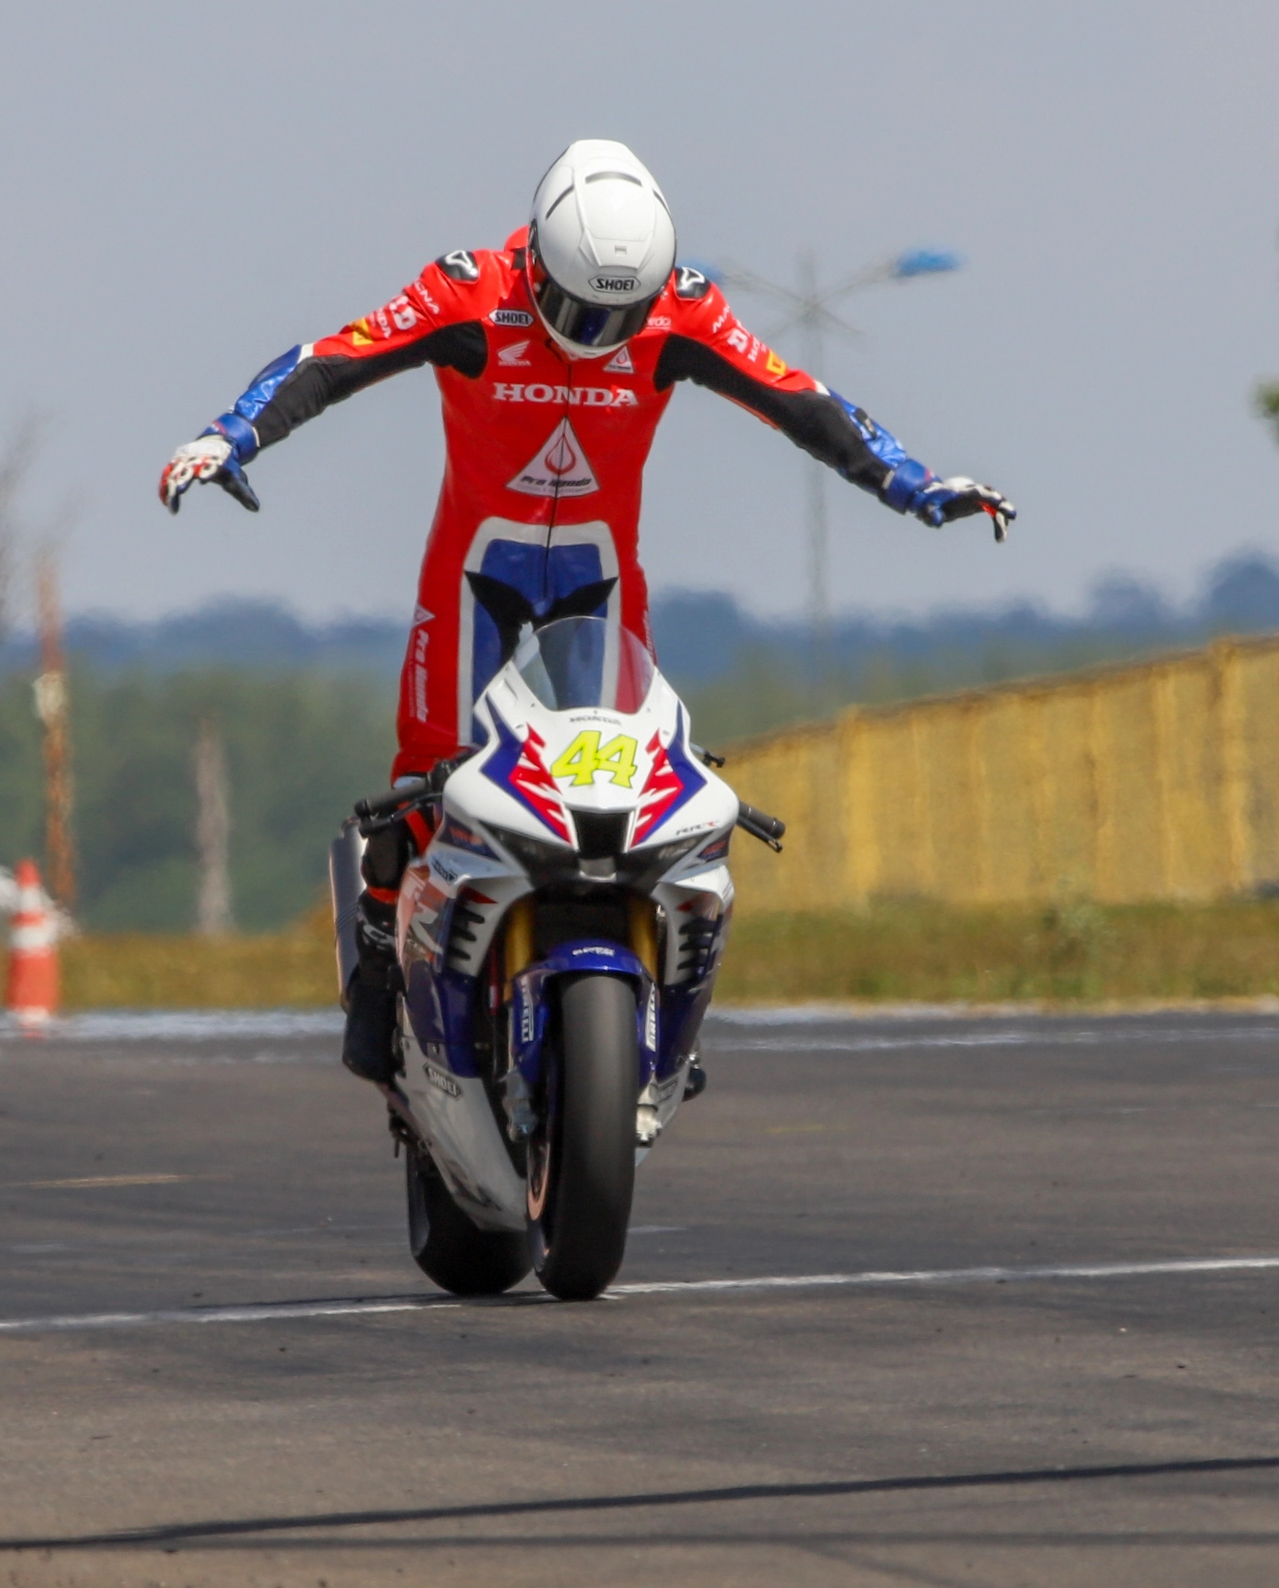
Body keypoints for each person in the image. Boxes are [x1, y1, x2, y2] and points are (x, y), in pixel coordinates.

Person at [157, 139, 1016, 1089]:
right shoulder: (467, 292)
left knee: (641, 793)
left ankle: (659, 1010)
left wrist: (915, 484)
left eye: (622, 315)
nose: (597, 334)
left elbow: (797, 398)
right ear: (534, 261)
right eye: (575, 311)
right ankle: (376, 972)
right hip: (473, 579)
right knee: (423, 791)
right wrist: (228, 435)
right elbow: (330, 360)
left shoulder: (684, 310)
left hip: (599, 584)